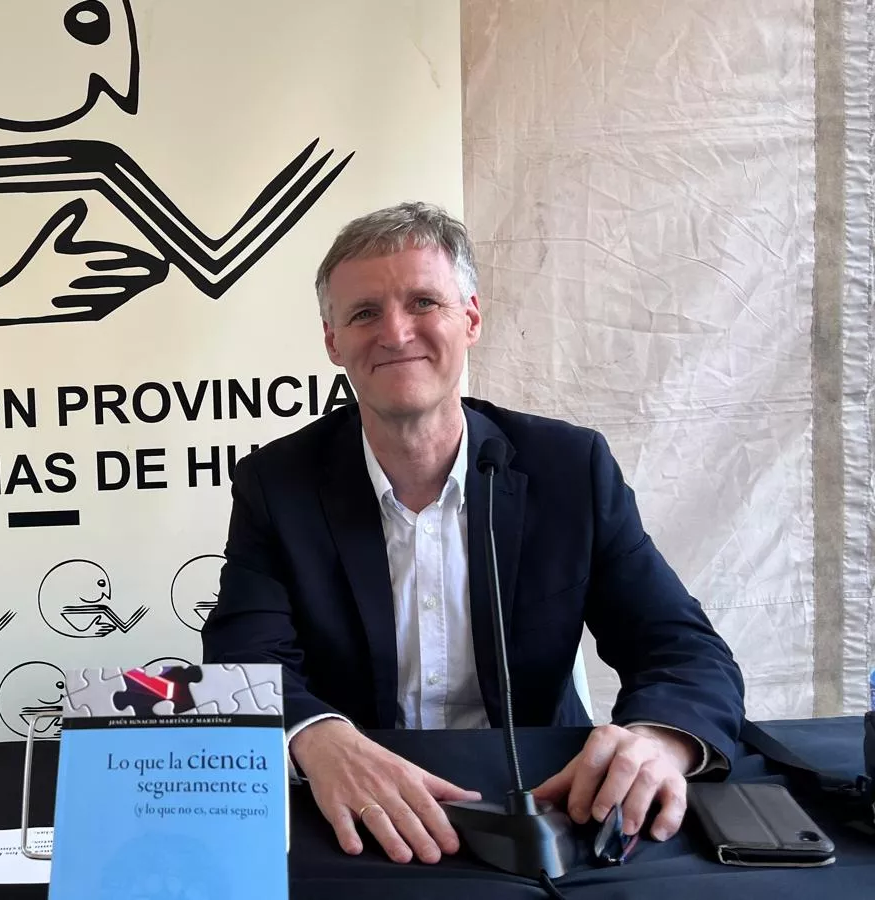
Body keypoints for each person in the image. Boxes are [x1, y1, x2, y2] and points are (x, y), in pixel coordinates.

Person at [202, 202, 744, 865]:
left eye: (424, 301)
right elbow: (241, 658)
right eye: (364, 312)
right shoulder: (275, 484)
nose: (395, 332)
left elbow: (681, 647)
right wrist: (316, 738)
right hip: (355, 803)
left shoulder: (570, 469)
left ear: (472, 319)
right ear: (332, 341)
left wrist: (661, 739)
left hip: (547, 800)